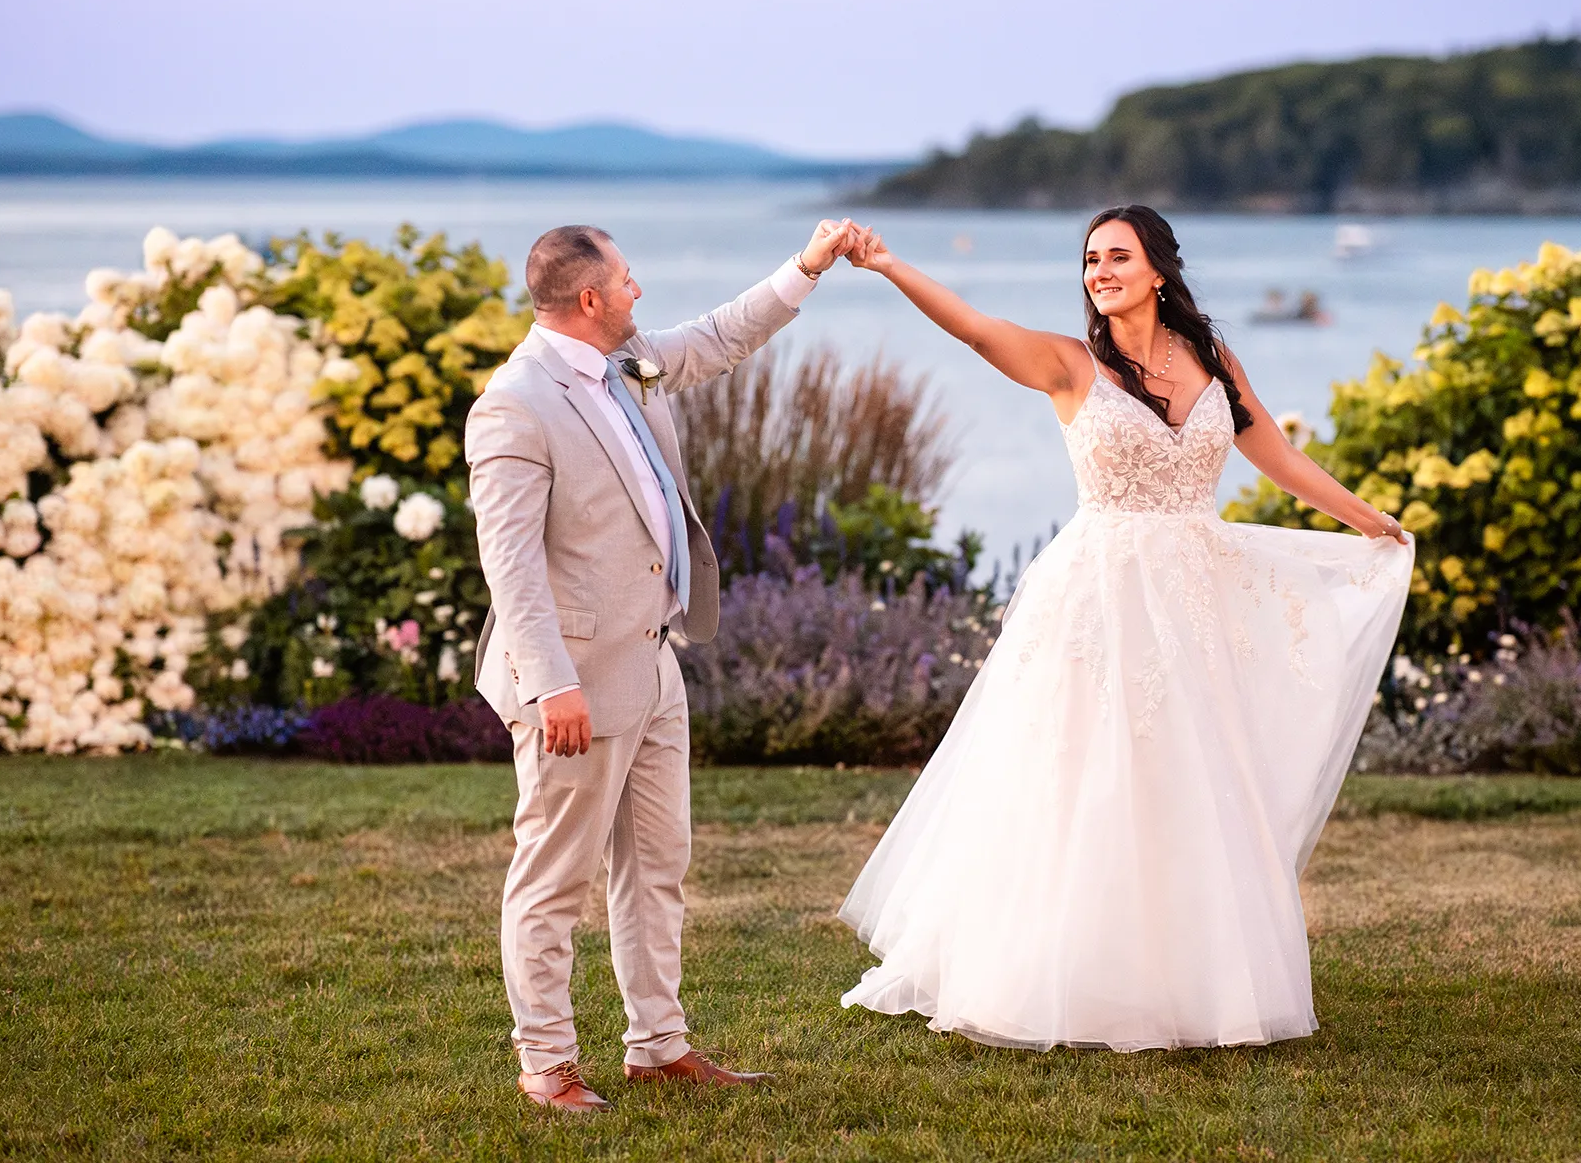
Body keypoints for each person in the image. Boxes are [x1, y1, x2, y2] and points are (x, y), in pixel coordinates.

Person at [836, 204, 1413, 1052]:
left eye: (1116, 256)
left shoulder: (1212, 360)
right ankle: (1057, 973)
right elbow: (974, 328)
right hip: (1097, 598)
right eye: (1089, 259)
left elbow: (1276, 456)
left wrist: (1368, 520)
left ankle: (1191, 982)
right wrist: (889, 265)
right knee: (1081, 778)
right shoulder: (1070, 365)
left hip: (1194, 598)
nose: (1098, 271)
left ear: (1158, 271)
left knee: (1193, 780)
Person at [465, 217, 859, 1111]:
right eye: (629, 280)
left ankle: (659, 1044)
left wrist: (806, 265)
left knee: (655, 865)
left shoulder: (628, 358)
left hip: (653, 664)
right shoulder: (515, 403)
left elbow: (723, 337)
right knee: (555, 877)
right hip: (572, 681)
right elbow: (512, 561)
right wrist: (553, 680)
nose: (640, 291)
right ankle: (548, 1062)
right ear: (590, 299)